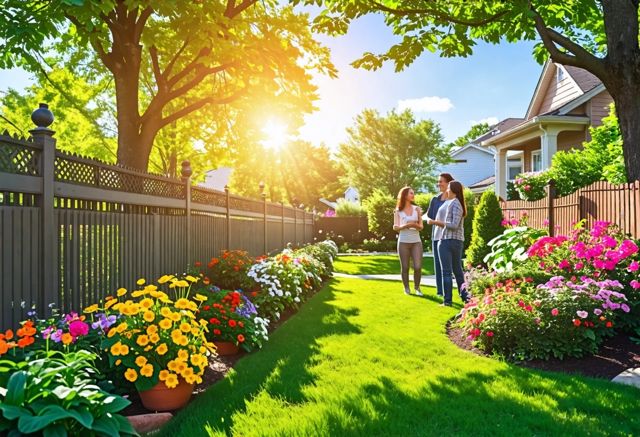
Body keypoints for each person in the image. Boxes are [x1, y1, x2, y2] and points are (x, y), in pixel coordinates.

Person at [431, 180, 469, 306]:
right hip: (454, 241)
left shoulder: (455, 204)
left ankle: (448, 301)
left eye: (448, 187)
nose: (446, 190)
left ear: (452, 190)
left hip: (448, 241)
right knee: (457, 271)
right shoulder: (455, 203)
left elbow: (453, 225)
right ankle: (466, 299)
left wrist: (435, 222)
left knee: (447, 272)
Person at [425, 173, 454, 297]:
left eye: (441, 181)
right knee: (437, 264)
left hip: (449, 236)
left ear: (448, 183)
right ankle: (440, 292)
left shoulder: (453, 200)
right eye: (438, 181)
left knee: (449, 266)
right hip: (436, 235)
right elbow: (429, 215)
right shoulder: (435, 199)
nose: (439, 184)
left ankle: (451, 292)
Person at [393, 186, 424, 296]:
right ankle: (406, 288)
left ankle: (417, 288)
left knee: (417, 266)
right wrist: (406, 225)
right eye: (411, 193)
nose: (413, 195)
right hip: (403, 242)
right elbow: (395, 227)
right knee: (405, 267)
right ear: (405, 195)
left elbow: (421, 226)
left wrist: (414, 225)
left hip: (416, 241)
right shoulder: (398, 211)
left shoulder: (417, 209)